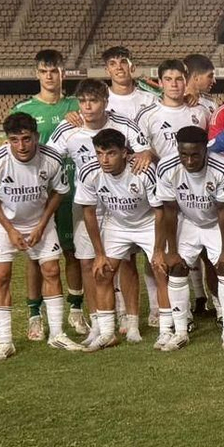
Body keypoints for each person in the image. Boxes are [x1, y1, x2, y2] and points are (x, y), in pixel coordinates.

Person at [50, 79, 154, 329]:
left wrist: (145, 154)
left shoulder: (124, 124)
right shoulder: (68, 128)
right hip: (87, 205)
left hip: (121, 204)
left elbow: (145, 151)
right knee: (88, 261)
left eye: (93, 101)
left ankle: (129, 319)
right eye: (83, 101)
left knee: (125, 260)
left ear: (105, 102)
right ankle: (99, 320)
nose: (87, 107)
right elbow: (48, 158)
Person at [0, 113, 72, 362]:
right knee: (1, 276)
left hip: (40, 220)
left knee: (51, 271)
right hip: (2, 224)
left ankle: (57, 334)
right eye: (14, 140)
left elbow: (59, 192)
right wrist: (9, 229)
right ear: (7, 140)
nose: (21, 146)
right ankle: (5, 342)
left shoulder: (51, 158)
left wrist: (42, 224)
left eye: (27, 139)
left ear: (36, 137)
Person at [76, 129, 175, 350]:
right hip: (117, 224)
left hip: (148, 222)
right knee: (102, 273)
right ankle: (108, 333)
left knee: (161, 270)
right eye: (100, 153)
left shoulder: (143, 171)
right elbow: (89, 213)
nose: (104, 159)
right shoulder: (89, 172)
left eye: (110, 153)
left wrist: (159, 250)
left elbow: (160, 212)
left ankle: (167, 330)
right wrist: (99, 254)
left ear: (124, 152)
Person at [11, 48, 86, 337]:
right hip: (37, 195)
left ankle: (76, 311)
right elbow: (13, 151)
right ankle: (34, 315)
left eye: (54, 71)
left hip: (72, 191)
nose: (49, 76)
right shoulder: (24, 110)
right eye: (44, 71)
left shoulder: (77, 106)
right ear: (37, 74)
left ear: (63, 73)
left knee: (74, 253)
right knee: (36, 256)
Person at [152, 127, 224, 349]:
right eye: (184, 154)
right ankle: (181, 331)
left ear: (205, 150)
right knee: (177, 268)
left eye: (195, 155)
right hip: (187, 221)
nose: (189, 160)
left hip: (215, 223)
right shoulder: (166, 167)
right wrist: (171, 251)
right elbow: (169, 211)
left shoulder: (222, 166)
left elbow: (223, 210)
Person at [136, 58, 214, 161]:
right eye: (168, 79)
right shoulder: (146, 115)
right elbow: (142, 151)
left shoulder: (201, 112)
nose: (174, 84)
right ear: (160, 82)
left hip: (196, 174)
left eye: (179, 79)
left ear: (186, 81)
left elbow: (211, 145)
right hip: (162, 175)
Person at [101, 45, 158, 120]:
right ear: (107, 71)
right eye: (112, 64)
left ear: (132, 68)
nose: (119, 67)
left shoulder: (150, 100)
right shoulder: (100, 100)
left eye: (123, 62)